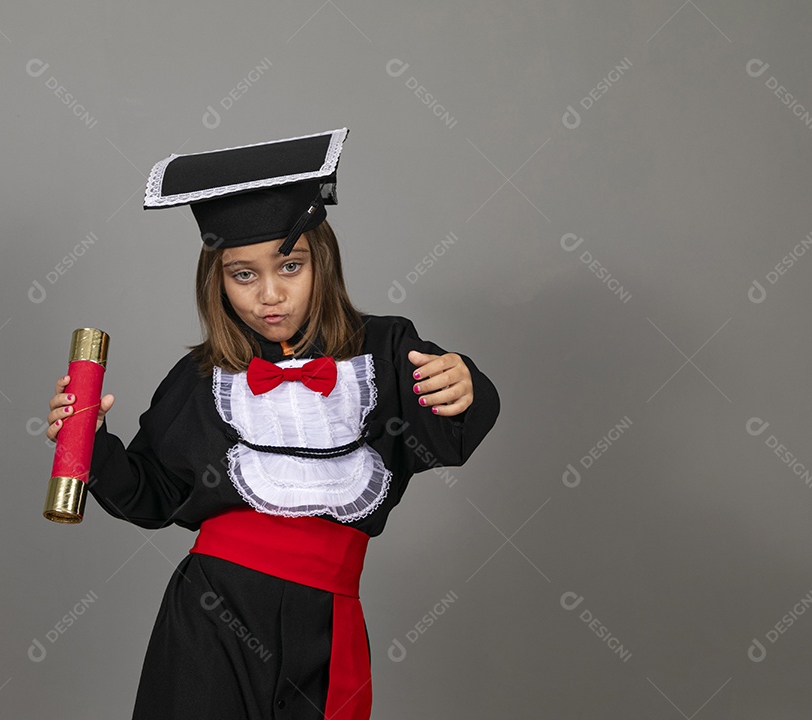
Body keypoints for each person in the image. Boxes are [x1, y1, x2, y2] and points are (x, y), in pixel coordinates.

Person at [44, 128, 500, 719]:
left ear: (322, 261)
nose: (270, 295)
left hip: (328, 618)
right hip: (211, 613)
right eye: (243, 275)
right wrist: (92, 447)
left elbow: (446, 436)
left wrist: (465, 383)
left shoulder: (386, 349)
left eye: (290, 265)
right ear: (218, 280)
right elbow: (155, 494)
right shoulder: (204, 375)